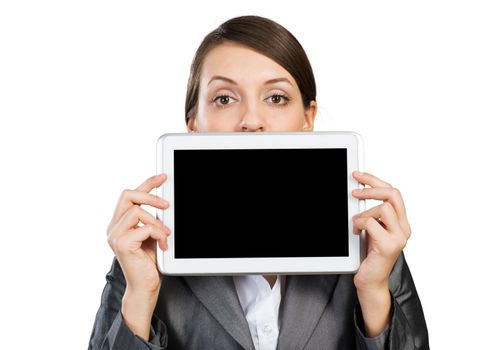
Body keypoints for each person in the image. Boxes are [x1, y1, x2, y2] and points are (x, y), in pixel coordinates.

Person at [88, 15, 429, 350]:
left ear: (307, 118)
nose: (252, 121)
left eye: (276, 98)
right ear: (193, 123)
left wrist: (373, 295)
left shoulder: (372, 249)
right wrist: (140, 298)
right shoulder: (146, 254)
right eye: (224, 98)